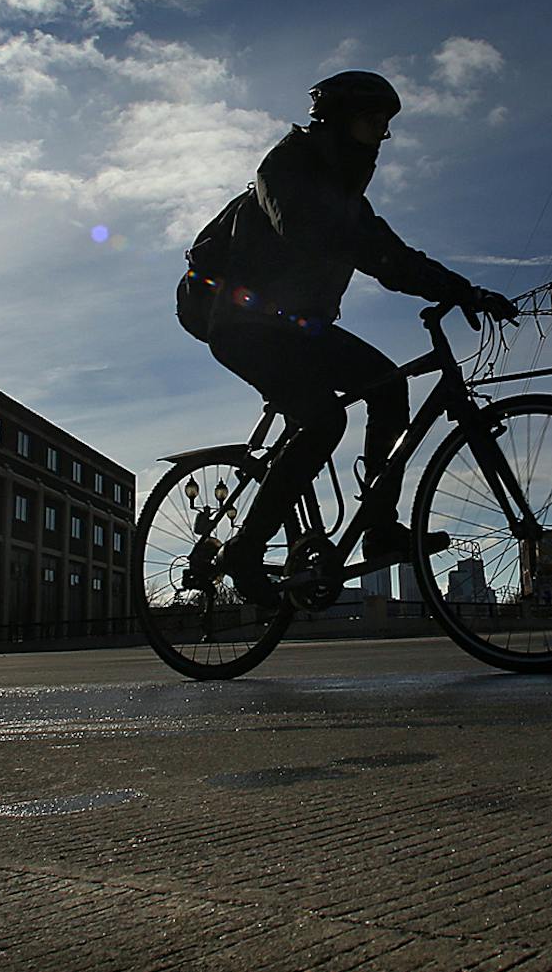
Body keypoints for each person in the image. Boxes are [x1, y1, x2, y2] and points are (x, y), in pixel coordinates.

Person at [178, 69, 518, 607]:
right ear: (339, 119)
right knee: (323, 419)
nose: (383, 134)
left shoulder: (347, 199)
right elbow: (306, 229)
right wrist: (372, 249)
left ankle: (379, 526)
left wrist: (464, 290)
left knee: (388, 385)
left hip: (298, 328)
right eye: (373, 120)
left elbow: (393, 255)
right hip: (244, 325)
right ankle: (245, 550)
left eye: (385, 124)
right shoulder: (283, 166)